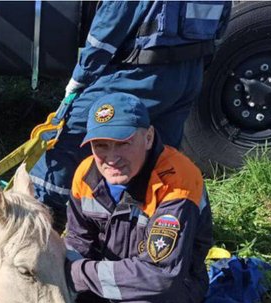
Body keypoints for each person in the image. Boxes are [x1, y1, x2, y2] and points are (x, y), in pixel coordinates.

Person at [30, 0, 231, 230]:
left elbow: (110, 25)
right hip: (189, 73)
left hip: (142, 73)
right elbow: (221, 22)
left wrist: (81, 76)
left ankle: (40, 215)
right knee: (158, 151)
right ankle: (157, 223)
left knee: (71, 132)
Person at [65, 92, 213, 303]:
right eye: (101, 146)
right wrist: (65, 273)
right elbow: (77, 240)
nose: (111, 158)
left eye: (123, 143)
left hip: (176, 280)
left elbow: (161, 275)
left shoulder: (177, 182)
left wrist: (81, 275)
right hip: (112, 269)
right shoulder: (85, 174)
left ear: (148, 137)